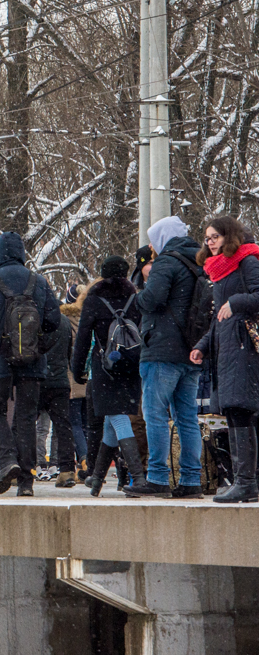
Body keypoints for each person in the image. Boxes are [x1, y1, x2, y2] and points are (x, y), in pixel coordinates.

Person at [0, 231, 61, 497]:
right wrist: (38, 345)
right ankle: (27, 482)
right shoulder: (39, 281)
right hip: (32, 360)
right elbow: (54, 321)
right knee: (26, 417)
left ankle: (8, 461)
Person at [132, 215, 205, 497]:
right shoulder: (198, 263)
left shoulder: (166, 262)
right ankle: (191, 480)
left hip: (162, 351)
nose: (151, 247)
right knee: (187, 418)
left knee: (155, 416)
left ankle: (158, 478)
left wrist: (137, 297)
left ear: (164, 237)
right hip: (191, 351)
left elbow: (152, 299)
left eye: (153, 240)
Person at [191, 215, 259, 503]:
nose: (210, 243)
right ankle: (246, 481)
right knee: (235, 412)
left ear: (229, 236)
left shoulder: (248, 261)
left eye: (214, 237)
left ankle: (246, 481)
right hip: (229, 349)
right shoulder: (219, 271)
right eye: (207, 238)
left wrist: (236, 302)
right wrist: (203, 346)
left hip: (244, 348)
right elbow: (219, 317)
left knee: (241, 412)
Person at [74, 256, 144, 495]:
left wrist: (77, 369)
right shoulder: (136, 298)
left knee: (118, 418)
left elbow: (83, 339)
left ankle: (138, 477)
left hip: (105, 369)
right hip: (132, 366)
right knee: (110, 425)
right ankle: (97, 480)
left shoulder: (94, 300)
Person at [38, 293, 77, 487]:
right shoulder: (64, 322)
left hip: (36, 379)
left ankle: (22, 466)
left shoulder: (34, 319)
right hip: (60, 380)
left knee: (25, 425)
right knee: (63, 427)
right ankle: (67, 470)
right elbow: (68, 352)